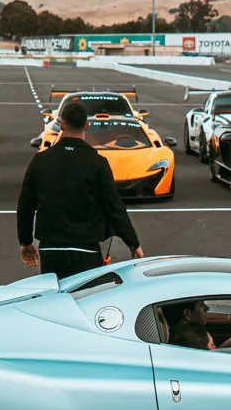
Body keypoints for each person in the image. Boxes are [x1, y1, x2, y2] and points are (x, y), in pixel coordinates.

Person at [17, 98, 144, 279]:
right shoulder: (97, 163)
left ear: (61, 125)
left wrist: (26, 242)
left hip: (51, 247)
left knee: (56, 301)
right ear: (86, 126)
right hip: (86, 248)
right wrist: (133, 243)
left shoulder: (40, 160)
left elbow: (25, 205)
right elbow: (114, 207)